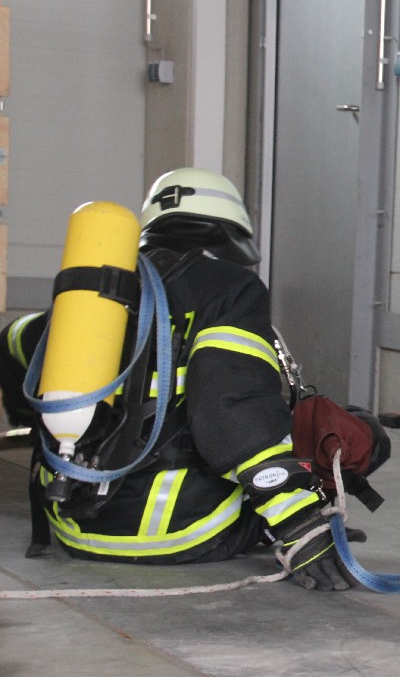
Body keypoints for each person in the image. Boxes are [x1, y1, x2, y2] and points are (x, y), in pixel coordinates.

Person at [0, 167, 361, 591]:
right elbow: (234, 408)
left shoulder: (100, 289)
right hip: (185, 534)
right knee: (357, 432)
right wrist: (299, 524)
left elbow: (14, 341)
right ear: (230, 231)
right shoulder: (229, 287)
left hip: (75, 529)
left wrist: (34, 420)